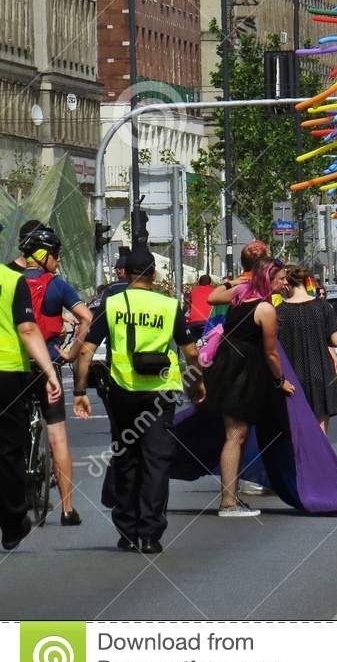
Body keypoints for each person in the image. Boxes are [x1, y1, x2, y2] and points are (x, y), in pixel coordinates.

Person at [71, 248, 201, 553]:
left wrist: (79, 392)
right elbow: (191, 351)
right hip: (160, 392)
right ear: (154, 274)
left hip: (121, 391)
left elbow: (86, 350)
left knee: (125, 457)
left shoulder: (112, 304)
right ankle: (150, 535)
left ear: (126, 274)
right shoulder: (169, 305)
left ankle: (127, 532)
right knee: (157, 462)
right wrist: (196, 384)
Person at [202, 258, 295, 516]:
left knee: (239, 434)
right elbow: (271, 353)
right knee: (235, 435)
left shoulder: (241, 294)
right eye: (281, 278)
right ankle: (228, 503)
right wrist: (281, 381)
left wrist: (233, 282)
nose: (285, 283)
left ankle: (232, 497)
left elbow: (213, 296)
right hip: (241, 372)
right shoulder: (265, 309)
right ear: (267, 279)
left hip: (227, 367)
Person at [18, 225, 91, 526]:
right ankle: (67, 509)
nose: (58, 259)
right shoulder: (57, 286)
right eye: (56, 254)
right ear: (43, 255)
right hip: (48, 363)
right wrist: (71, 353)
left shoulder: (10, 281)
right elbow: (86, 318)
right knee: (58, 436)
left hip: (16, 367)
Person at [0, 259, 63, 551]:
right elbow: (27, 329)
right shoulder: (12, 280)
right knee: (9, 450)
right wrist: (49, 372)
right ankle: (13, 524)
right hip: (7, 373)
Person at [277, 264, 337, 433]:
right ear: (306, 281)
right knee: (320, 431)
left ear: (287, 284)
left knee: (297, 430)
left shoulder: (279, 312)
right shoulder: (323, 306)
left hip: (291, 376)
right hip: (321, 372)